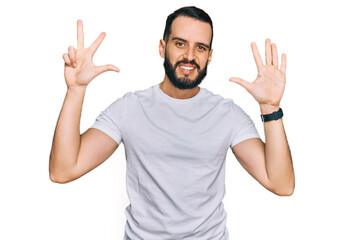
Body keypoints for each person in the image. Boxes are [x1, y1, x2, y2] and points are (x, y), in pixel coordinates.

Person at [49, 6, 295, 240]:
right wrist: (76, 90)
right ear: (162, 47)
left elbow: (281, 184)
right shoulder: (129, 108)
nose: (189, 56)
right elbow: (63, 170)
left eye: (200, 47)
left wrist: (270, 108)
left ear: (209, 56)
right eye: (180, 44)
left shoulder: (227, 114)